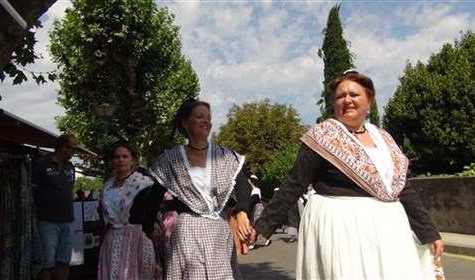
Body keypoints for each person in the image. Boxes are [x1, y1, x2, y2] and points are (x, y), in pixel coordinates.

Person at [250, 70, 444, 280]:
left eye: (354, 94)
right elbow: (294, 183)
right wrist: (262, 226)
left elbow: (401, 188)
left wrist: (428, 231)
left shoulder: (384, 139)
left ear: (369, 100)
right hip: (342, 229)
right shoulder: (323, 136)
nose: (347, 100)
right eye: (340, 96)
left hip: (389, 229)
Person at [143, 98, 252, 279]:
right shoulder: (171, 160)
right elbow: (155, 195)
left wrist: (242, 212)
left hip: (219, 228)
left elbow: (242, 183)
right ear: (185, 123)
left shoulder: (224, 156)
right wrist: (148, 226)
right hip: (188, 229)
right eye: (200, 116)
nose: (206, 121)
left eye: (209, 117)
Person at [97, 140, 159, 279]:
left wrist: (152, 224)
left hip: (137, 238)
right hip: (113, 238)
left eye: (125, 157)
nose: (120, 160)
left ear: (133, 160)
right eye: (117, 157)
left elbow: (151, 209)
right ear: (112, 161)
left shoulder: (141, 184)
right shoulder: (108, 186)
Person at [31, 134, 77, 280]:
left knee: (64, 261)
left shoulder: (70, 167)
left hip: (68, 220)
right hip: (47, 221)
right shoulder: (40, 165)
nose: (74, 152)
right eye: (72, 149)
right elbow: (31, 192)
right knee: (46, 263)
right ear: (63, 147)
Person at [248, 175, 271, 248]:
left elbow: (254, 199)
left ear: (252, 181)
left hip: (257, 208)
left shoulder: (256, 190)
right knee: (257, 225)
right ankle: (255, 242)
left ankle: (253, 243)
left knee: (256, 225)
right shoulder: (254, 190)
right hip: (256, 208)